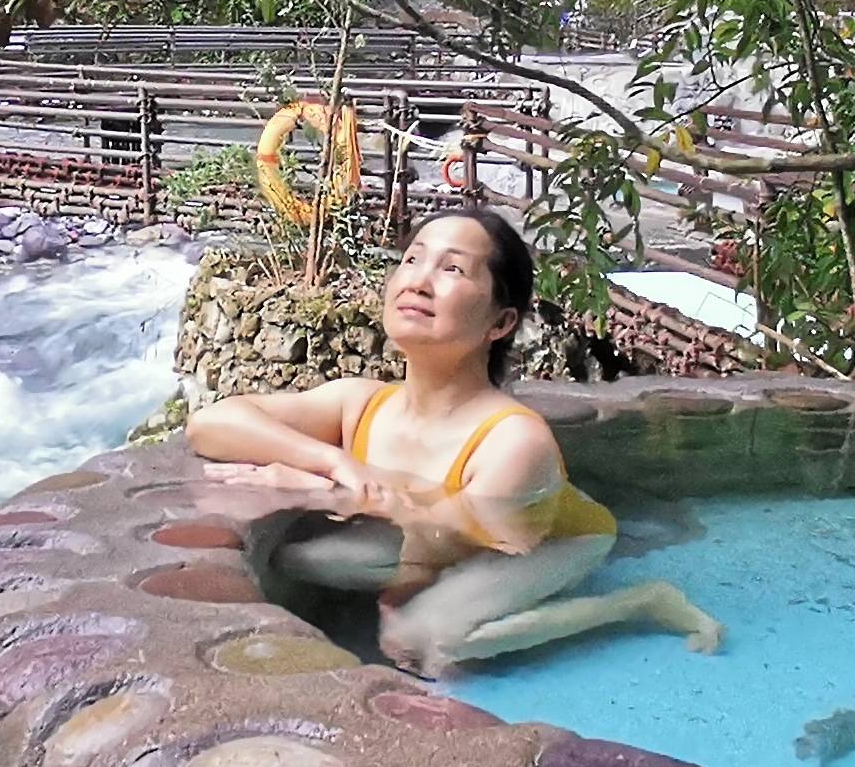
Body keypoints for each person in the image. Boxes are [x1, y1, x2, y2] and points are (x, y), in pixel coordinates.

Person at [187, 204, 722, 675]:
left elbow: (460, 537)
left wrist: (319, 490)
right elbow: (212, 424)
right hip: (442, 529)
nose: (419, 281)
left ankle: (636, 603)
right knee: (299, 561)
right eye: (413, 259)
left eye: (452, 269)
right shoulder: (361, 402)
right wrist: (329, 461)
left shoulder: (512, 440)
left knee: (424, 642)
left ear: (500, 322)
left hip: (546, 540)